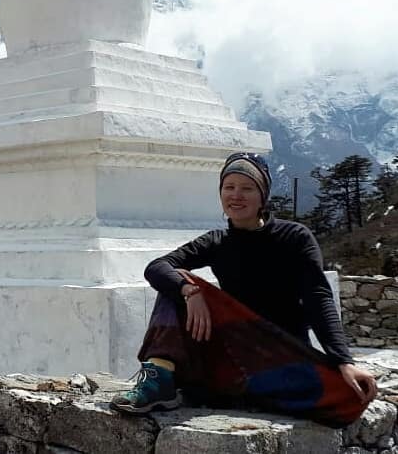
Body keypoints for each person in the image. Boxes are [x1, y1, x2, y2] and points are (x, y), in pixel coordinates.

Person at [110, 152, 377, 426]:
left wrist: (344, 360)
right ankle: (159, 380)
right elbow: (157, 267)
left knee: (350, 398)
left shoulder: (295, 238)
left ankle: (239, 392)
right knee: (176, 280)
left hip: (280, 350)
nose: (236, 196)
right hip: (233, 347)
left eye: (247, 188)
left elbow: (318, 298)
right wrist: (190, 291)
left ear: (263, 196)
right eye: (229, 187)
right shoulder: (217, 241)